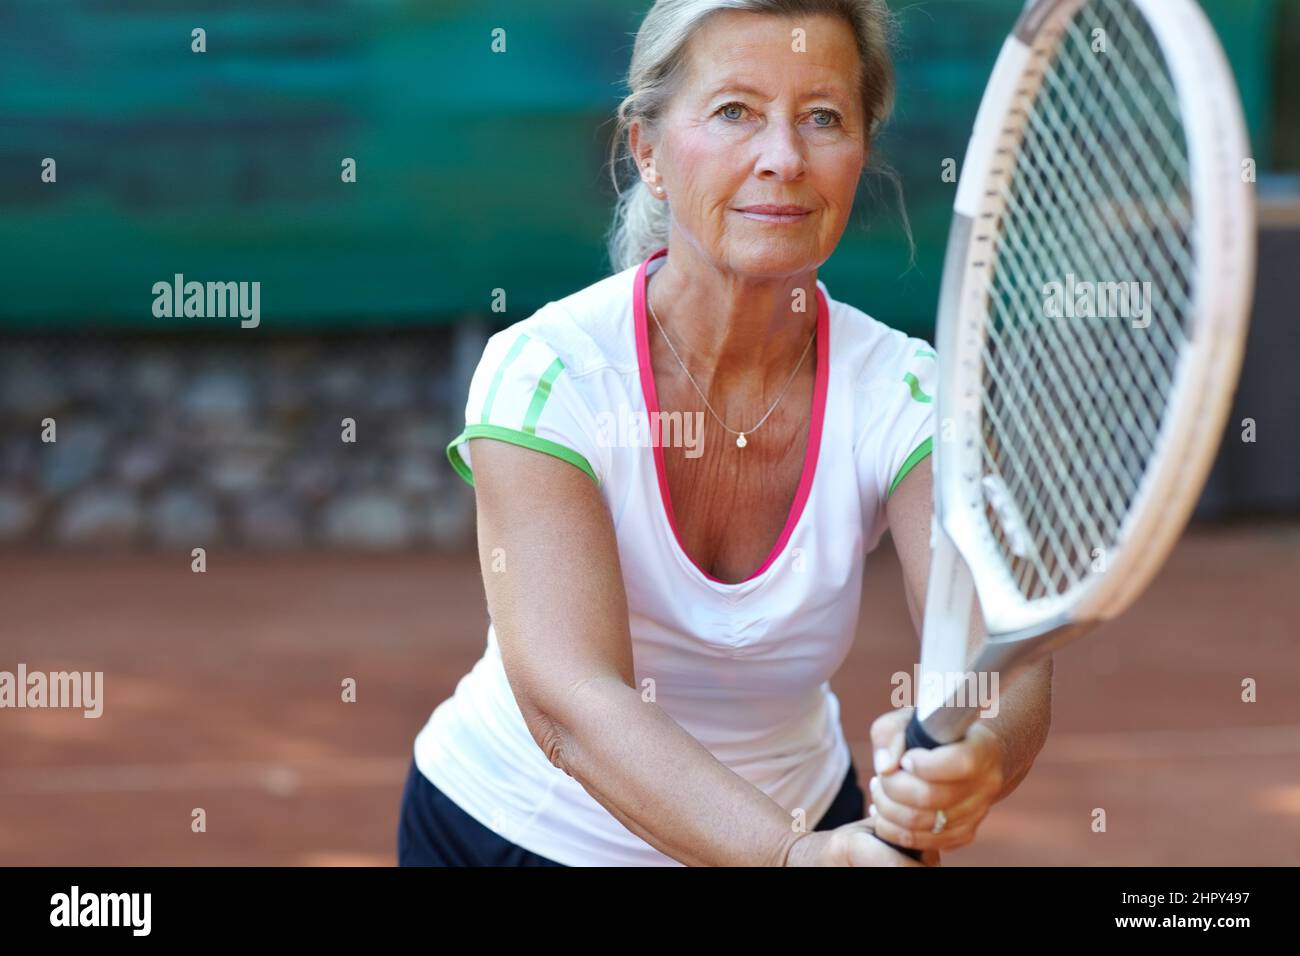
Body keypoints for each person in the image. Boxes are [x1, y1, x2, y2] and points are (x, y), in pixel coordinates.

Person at [398, 0, 1051, 867]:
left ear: (860, 153)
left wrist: (981, 753)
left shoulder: (909, 394)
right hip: (516, 834)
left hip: (813, 816)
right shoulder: (546, 375)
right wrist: (793, 859)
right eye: (735, 111)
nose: (783, 159)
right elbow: (572, 701)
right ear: (648, 152)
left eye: (822, 118)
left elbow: (998, 645)